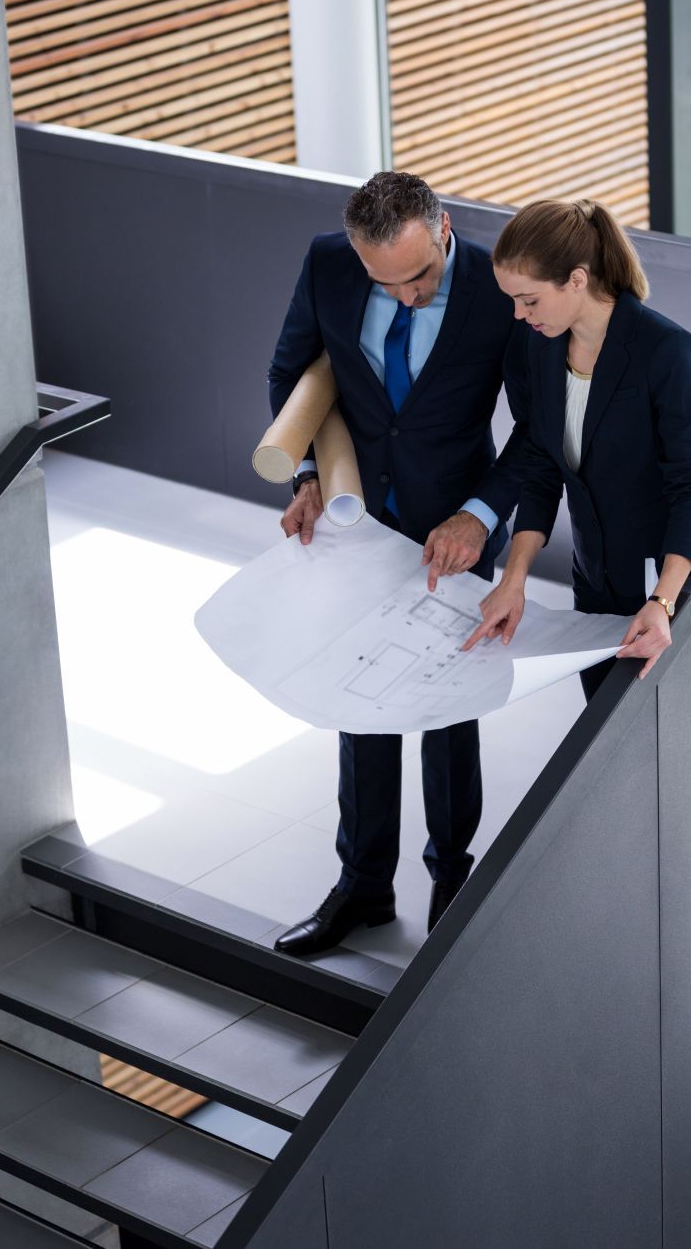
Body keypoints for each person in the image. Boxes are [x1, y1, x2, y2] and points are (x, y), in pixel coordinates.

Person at [268, 171, 529, 954]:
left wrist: (480, 517)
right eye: (387, 281)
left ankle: (453, 874)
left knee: (448, 710)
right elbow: (292, 374)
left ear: (442, 227)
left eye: (419, 276)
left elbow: (538, 432)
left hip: (456, 527)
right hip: (357, 523)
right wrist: (308, 477)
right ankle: (362, 886)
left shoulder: (497, 288)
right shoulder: (326, 262)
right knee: (362, 702)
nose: (406, 295)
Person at [463, 198, 691, 692]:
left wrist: (663, 603)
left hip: (673, 587)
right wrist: (513, 579)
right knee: (603, 747)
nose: (518, 315)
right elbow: (541, 467)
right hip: (595, 585)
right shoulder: (537, 345)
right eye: (512, 301)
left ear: (577, 279)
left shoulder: (668, 352)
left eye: (530, 300)